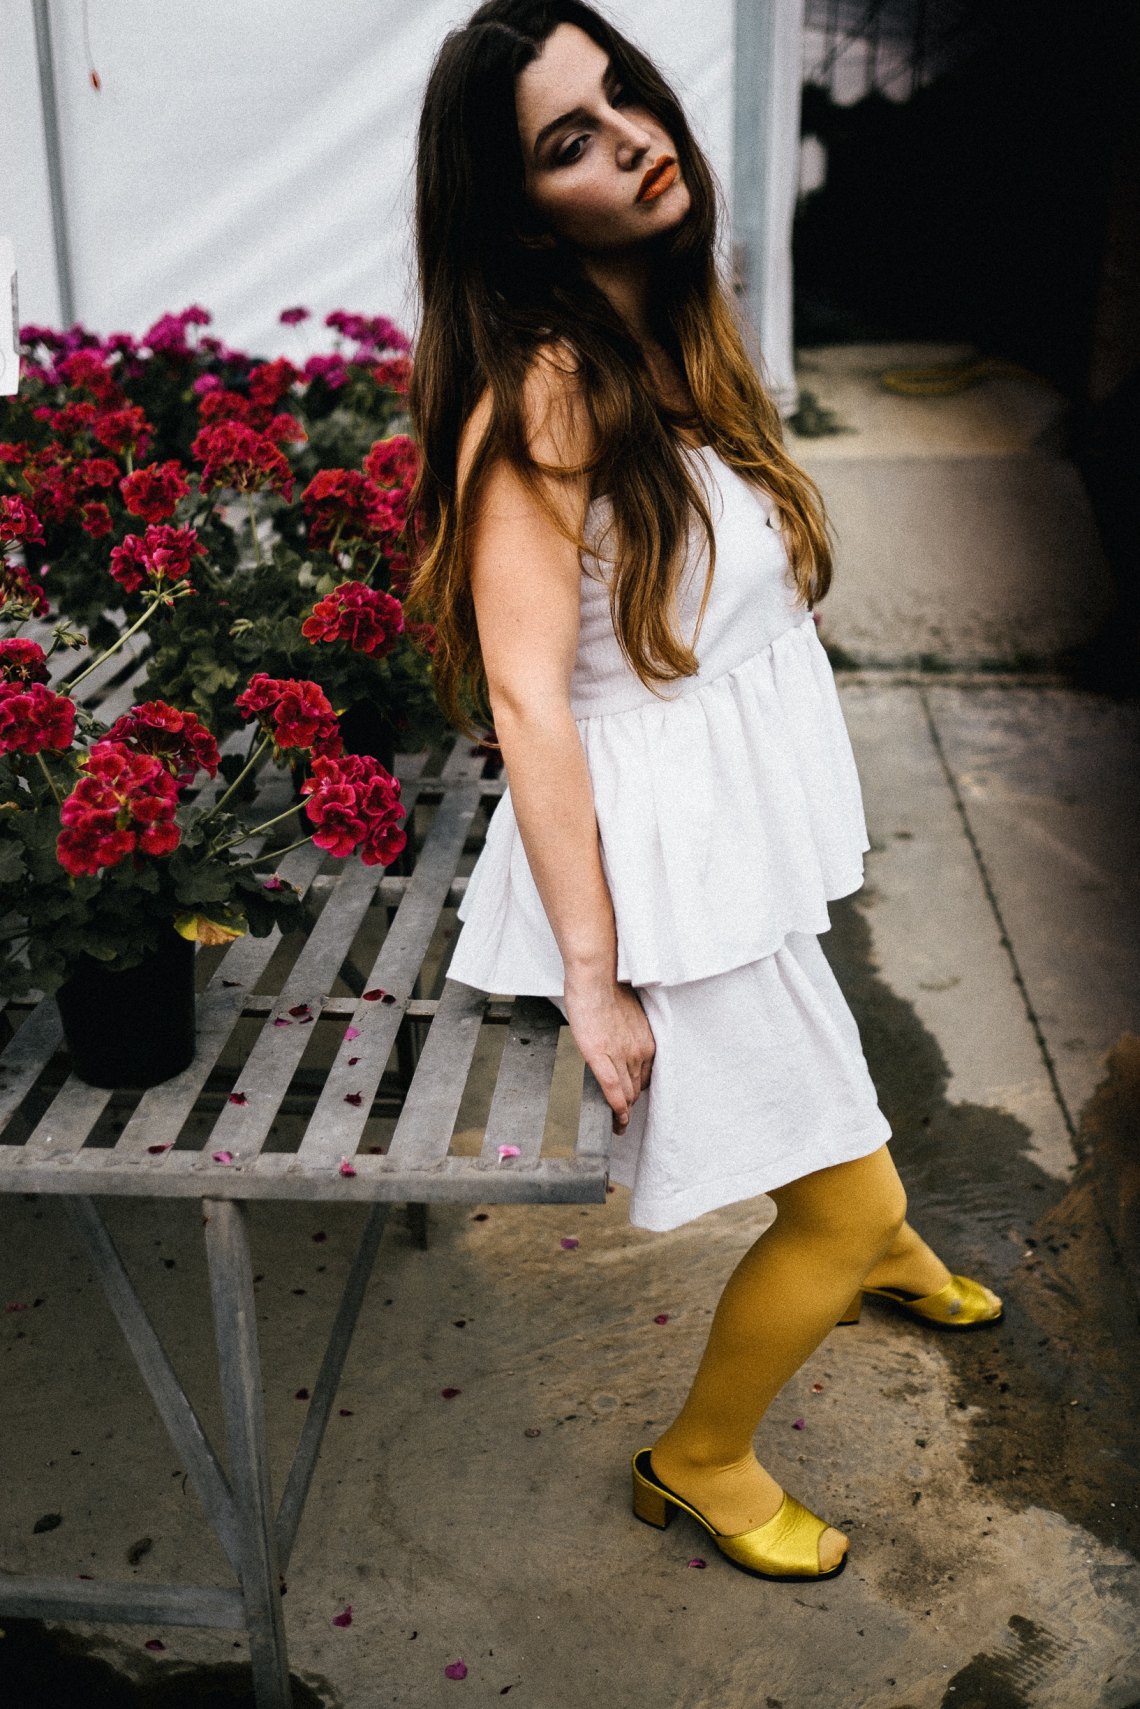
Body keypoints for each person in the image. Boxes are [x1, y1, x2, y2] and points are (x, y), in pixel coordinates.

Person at [405, 0, 1002, 1583]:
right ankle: (702, 1456)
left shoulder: (668, 318)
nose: (633, 140)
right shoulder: (546, 391)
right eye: (568, 143)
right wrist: (596, 983)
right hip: (654, 868)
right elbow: (531, 698)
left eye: (624, 99)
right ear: (517, 204)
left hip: (723, 839)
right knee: (826, 1192)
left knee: (831, 1065)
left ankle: (877, 1237)